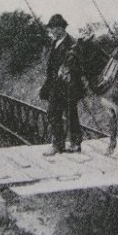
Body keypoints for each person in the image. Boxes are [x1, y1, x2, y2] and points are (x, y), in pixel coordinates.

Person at [39, 14, 83, 156]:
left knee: (71, 115)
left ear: (60, 28)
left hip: (69, 87)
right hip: (55, 87)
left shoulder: (73, 44)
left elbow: (78, 67)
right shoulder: (54, 43)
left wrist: (67, 71)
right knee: (53, 114)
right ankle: (58, 144)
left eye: (53, 29)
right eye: (51, 29)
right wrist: (46, 85)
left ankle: (75, 144)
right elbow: (50, 68)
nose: (51, 32)